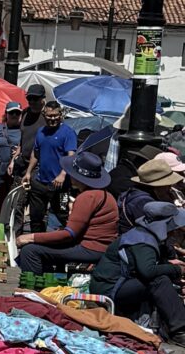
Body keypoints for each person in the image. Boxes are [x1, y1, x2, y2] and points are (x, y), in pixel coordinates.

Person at [16, 141, 119, 280]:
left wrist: (30, 237)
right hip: (99, 247)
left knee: (30, 250)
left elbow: (68, 234)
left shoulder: (88, 196)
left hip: (91, 249)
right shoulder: (103, 194)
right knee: (40, 246)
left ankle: (34, 292)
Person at [94, 190, 185, 339]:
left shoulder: (145, 234)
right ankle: (180, 331)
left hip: (121, 282)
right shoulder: (143, 241)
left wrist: (169, 265)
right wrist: (175, 269)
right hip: (109, 288)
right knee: (158, 281)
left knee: (162, 277)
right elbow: (147, 271)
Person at [21, 96, 78, 232]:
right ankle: (36, 244)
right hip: (40, 183)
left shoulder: (68, 133)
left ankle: (67, 243)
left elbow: (71, 156)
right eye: (49, 116)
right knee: (36, 217)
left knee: (63, 215)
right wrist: (28, 172)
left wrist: (63, 174)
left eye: (55, 115)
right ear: (44, 115)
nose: (53, 119)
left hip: (60, 186)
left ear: (60, 115)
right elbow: (36, 153)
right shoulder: (41, 131)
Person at [0, 104, 22, 217]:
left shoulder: (24, 131)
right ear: (6, 114)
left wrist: (19, 152)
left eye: (17, 113)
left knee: (12, 201)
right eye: (11, 112)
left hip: (16, 171)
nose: (14, 115)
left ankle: (7, 225)